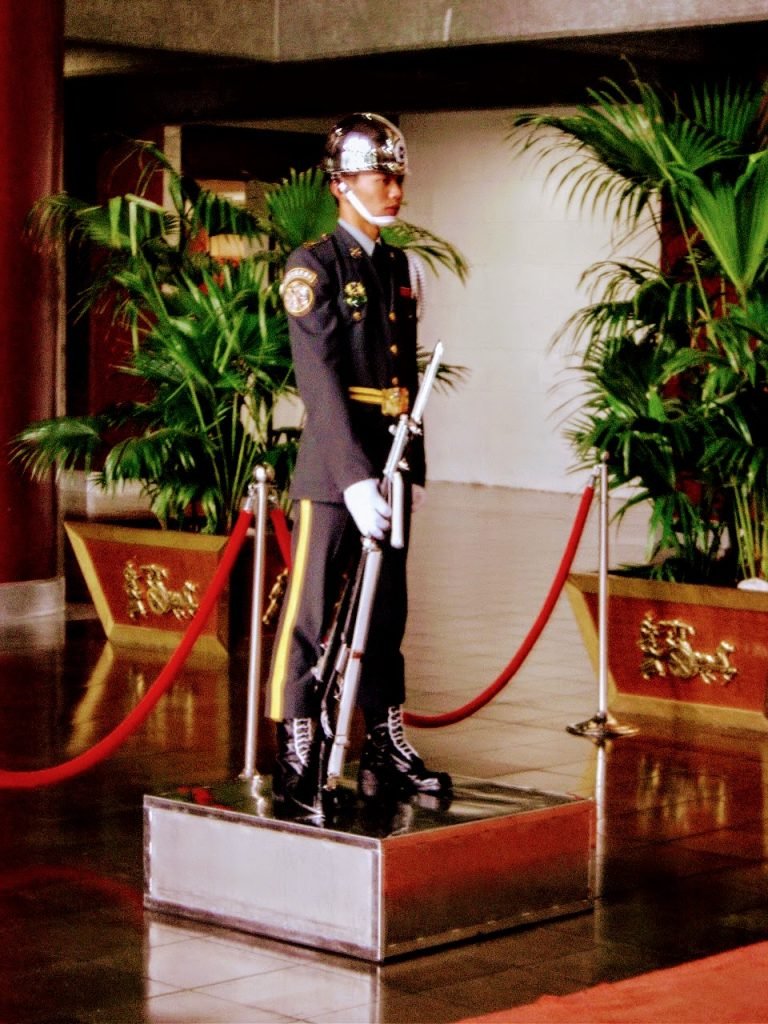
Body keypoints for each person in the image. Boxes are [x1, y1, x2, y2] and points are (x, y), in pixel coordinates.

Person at [266, 112, 452, 815]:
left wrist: (415, 469)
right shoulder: (311, 267)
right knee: (312, 611)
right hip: (335, 468)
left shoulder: (399, 266)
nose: (395, 187)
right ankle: (298, 744)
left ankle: (385, 743)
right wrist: (351, 478)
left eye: (399, 174)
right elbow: (318, 381)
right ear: (341, 184)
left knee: (388, 613)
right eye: (382, 175)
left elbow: (404, 374)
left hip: (393, 459)